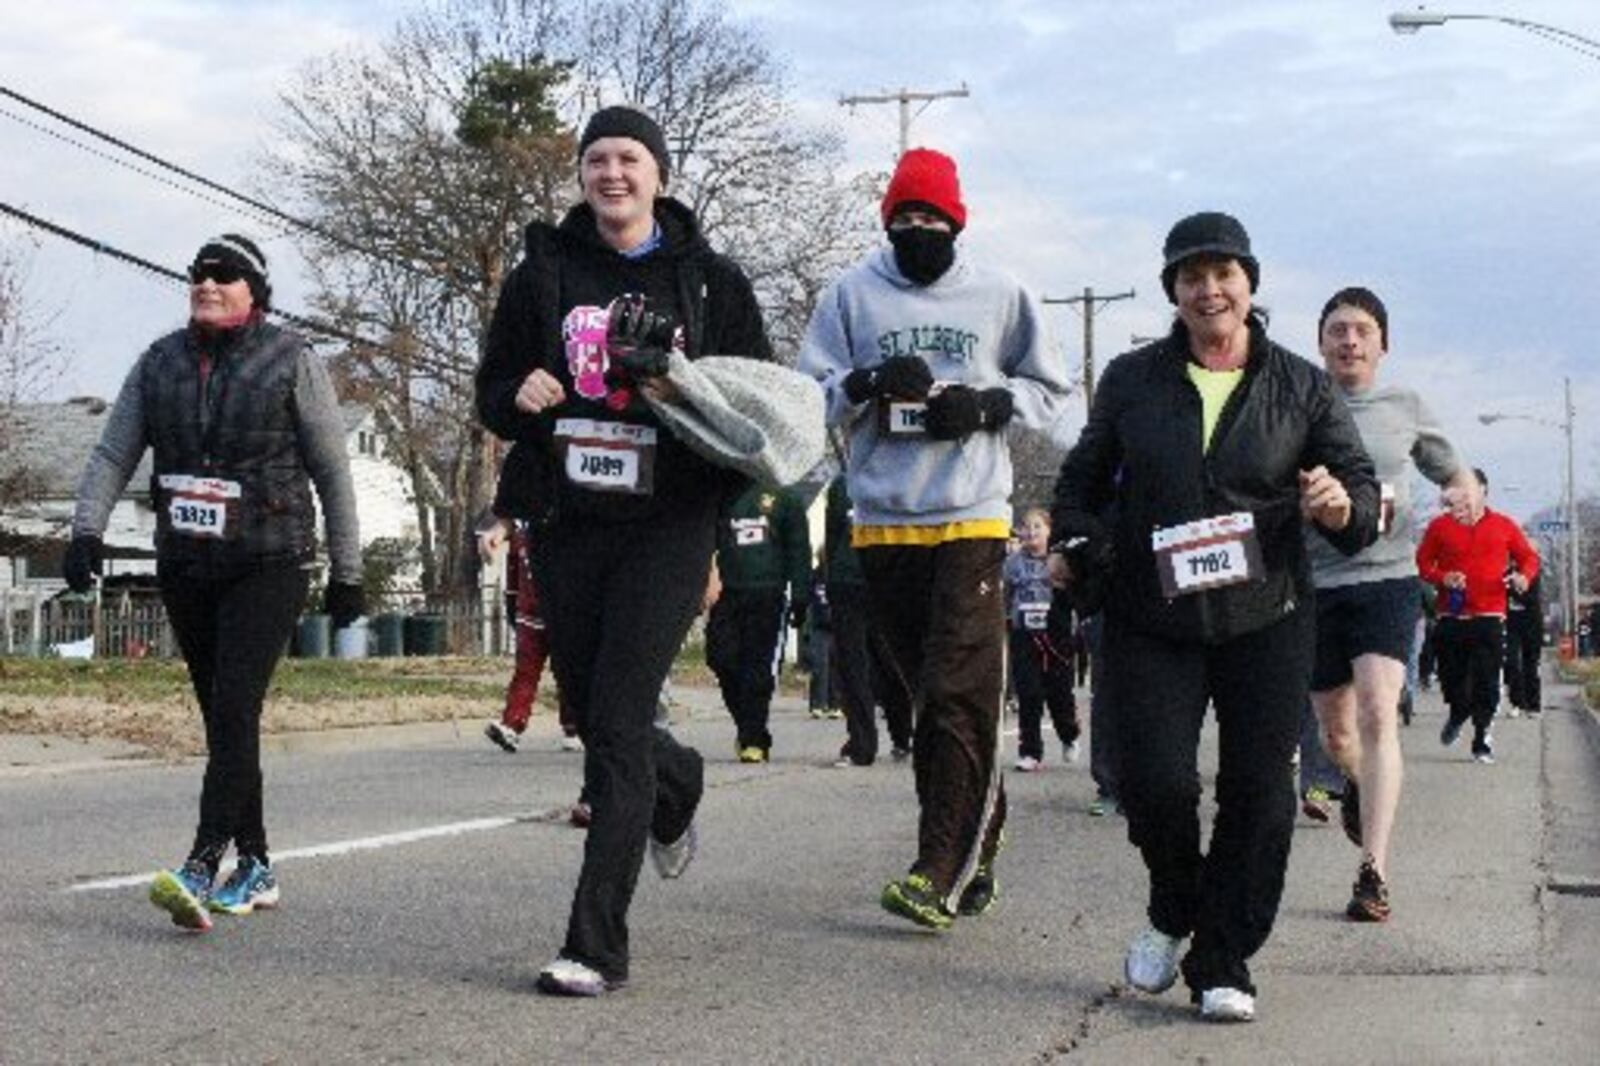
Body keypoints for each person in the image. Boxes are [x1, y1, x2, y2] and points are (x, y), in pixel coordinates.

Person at [1049, 212, 1378, 1022]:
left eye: (1223, 273)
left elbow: (1361, 492)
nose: (1209, 290)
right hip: (1150, 613)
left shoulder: (1300, 385)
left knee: (1260, 797)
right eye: (1191, 277)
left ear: (1249, 284)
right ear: (1174, 291)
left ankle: (1223, 957)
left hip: (1264, 614)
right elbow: (1080, 486)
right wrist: (1075, 543)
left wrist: (1340, 505)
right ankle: (1174, 903)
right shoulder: (1132, 379)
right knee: (1153, 783)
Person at [475, 105, 772, 997]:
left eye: (630, 159)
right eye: (597, 159)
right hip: (568, 523)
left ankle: (595, 944)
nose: (613, 174)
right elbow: (494, 391)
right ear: (581, 174)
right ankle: (675, 782)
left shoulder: (712, 284)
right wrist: (517, 393)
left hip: (667, 524)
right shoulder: (542, 276)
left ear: (659, 174)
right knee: (606, 718)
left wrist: (672, 388)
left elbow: (749, 415)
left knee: (612, 723)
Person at [797, 147, 1069, 930]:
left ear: (956, 222)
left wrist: (986, 405)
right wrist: (860, 384)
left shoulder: (998, 294)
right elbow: (806, 395)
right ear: (887, 223)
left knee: (958, 690)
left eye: (932, 219)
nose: (918, 230)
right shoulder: (851, 294)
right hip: (882, 524)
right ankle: (979, 829)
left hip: (972, 518)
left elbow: (1050, 389)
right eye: (905, 219)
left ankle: (936, 869)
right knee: (924, 701)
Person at [64, 234, 364, 931]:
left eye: (224, 275)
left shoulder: (293, 361)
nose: (207, 283)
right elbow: (114, 452)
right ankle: (256, 864)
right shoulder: (159, 362)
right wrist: (84, 530)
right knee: (225, 718)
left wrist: (348, 572)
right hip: (188, 562)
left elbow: (332, 469)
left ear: (254, 291)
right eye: (197, 274)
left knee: (234, 709)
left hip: (270, 559)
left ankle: (202, 862)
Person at [1305, 286, 1477, 923]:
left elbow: (1450, 469)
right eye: (1337, 330)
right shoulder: (1302, 402)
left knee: (1379, 712)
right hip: (1319, 583)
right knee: (1337, 733)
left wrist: (1462, 494)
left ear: (1382, 344)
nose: (1349, 340)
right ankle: (1353, 781)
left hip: (1387, 577)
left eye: (1361, 331)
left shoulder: (1404, 405)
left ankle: (1372, 870)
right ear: (1321, 343)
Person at [1416, 468, 1539, 765]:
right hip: (1451, 617)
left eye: (1468, 489)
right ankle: (1458, 712)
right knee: (1452, 679)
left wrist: (1523, 577)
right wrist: (1442, 577)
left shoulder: (1504, 525)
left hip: (1489, 616)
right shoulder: (1439, 526)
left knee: (1487, 679)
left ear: (1483, 490)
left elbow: (1529, 558)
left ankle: (1482, 737)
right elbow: (1421, 563)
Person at [705, 483, 812, 762]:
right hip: (728, 594)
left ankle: (754, 739)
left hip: (769, 594)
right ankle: (747, 725)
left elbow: (799, 549)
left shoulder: (784, 498)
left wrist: (801, 596)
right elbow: (705, 541)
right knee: (720, 658)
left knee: (757, 668)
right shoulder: (723, 494)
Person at [824, 475, 913, 766]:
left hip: (886, 580)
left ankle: (904, 734)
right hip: (846, 581)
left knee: (890, 661)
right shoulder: (841, 484)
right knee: (851, 665)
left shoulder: (898, 472)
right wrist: (829, 577)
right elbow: (832, 533)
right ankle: (861, 743)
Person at [477, 511, 579, 753]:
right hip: (529, 613)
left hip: (565, 613)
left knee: (567, 672)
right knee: (524, 672)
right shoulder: (520, 528)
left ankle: (574, 727)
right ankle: (511, 725)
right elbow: (513, 572)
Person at [1003, 507, 1080, 771]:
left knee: (1059, 695)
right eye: (1027, 526)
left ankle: (1069, 734)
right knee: (1029, 694)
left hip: (1056, 635)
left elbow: (1074, 596)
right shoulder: (1013, 563)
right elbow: (1005, 593)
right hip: (1024, 635)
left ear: (1049, 530)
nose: (1031, 532)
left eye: (1038, 526)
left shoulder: (1061, 560)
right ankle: (1030, 752)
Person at [1502, 566, 1544, 716]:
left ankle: (1533, 705)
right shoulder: (1506, 574)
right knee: (1512, 662)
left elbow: (1531, 600)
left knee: (1530, 664)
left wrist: (1513, 589)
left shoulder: (1532, 573)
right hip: (1512, 625)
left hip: (1531, 624)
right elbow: (1500, 596)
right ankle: (1517, 703)